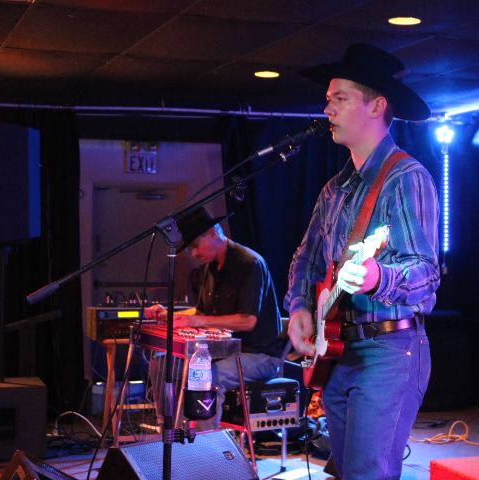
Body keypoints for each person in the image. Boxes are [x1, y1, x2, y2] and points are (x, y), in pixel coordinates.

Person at [285, 43, 440, 480]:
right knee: (347, 471)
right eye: (328, 99)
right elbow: (305, 259)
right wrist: (299, 307)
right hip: (340, 350)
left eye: (340, 98)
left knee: (368, 473)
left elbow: (426, 272)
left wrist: (378, 277)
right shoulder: (334, 189)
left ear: (376, 105)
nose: (327, 109)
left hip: (389, 349)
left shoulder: (406, 178)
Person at [146, 206, 284, 430]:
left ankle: (205, 445)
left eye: (195, 246)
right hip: (221, 352)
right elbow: (201, 313)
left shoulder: (249, 264)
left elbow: (248, 321)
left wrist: (197, 321)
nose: (193, 254)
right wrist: (169, 316)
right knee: (161, 363)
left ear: (212, 233)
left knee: (206, 376)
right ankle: (171, 432)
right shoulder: (208, 269)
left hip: (259, 355)